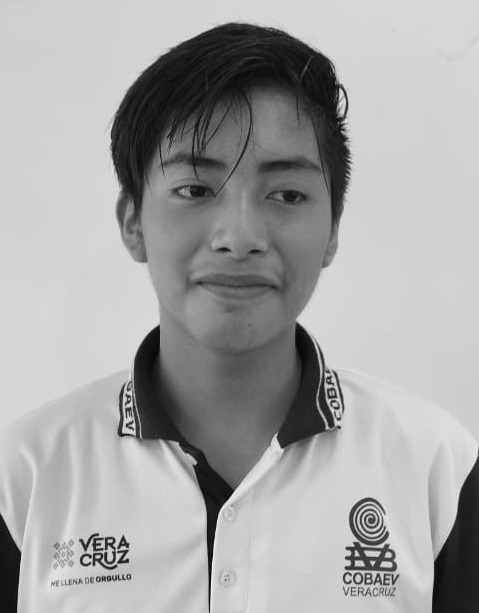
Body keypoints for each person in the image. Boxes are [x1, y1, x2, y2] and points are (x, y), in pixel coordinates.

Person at [0, 22, 477, 613]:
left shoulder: (438, 470)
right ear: (132, 222)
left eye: (288, 195)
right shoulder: (25, 477)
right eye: (196, 190)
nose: (240, 236)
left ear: (332, 230)